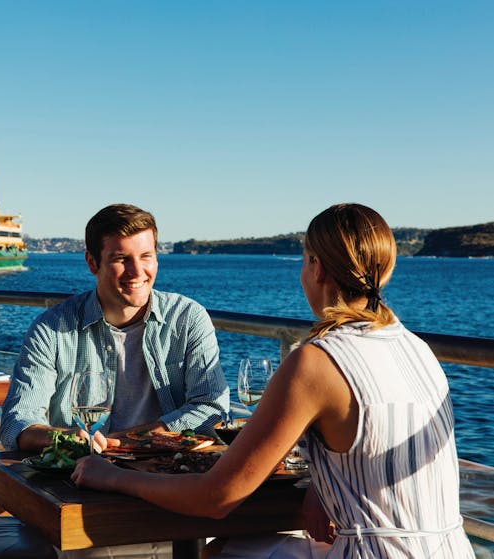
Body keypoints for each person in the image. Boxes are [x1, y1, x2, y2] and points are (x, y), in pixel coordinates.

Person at [72, 203, 475, 558]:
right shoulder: (416, 348)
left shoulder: (317, 362)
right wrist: (323, 483)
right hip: (450, 547)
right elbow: (370, 441)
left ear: (316, 268)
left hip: (373, 551)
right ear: (384, 271)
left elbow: (217, 498)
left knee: (224, 552)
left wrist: (115, 476)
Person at [0, 203, 230, 454]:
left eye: (146, 257)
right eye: (121, 259)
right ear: (92, 262)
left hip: (168, 471)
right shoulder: (52, 329)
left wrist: (127, 440)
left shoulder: (187, 318)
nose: (137, 271)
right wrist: (68, 438)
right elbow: (16, 424)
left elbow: (211, 407)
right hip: (80, 475)